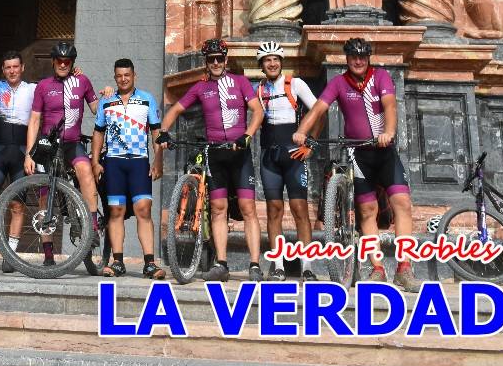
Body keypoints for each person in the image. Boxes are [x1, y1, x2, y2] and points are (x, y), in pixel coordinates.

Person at [292, 37, 420, 293]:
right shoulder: (339, 82)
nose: (358, 61)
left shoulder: (380, 76)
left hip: (383, 150)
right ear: (347, 59)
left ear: (368, 58)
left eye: (362, 56)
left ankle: (405, 268)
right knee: (367, 211)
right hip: (358, 154)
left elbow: (390, 106)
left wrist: (389, 132)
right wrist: (301, 132)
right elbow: (318, 108)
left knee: (402, 203)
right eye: (353, 57)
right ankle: (378, 268)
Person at [158, 38, 264, 282]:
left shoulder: (240, 82)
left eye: (219, 58)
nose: (216, 63)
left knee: (248, 208)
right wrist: (164, 131)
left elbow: (257, 110)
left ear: (226, 60)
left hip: (239, 152)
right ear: (206, 63)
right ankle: (222, 264)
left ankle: (255, 265)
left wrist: (247, 135)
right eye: (211, 59)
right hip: (215, 153)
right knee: (218, 209)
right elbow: (174, 110)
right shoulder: (200, 87)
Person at [25, 41, 101, 263]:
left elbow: (96, 108)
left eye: (67, 61)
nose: (63, 64)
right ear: (53, 61)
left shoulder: (82, 81)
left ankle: (93, 227)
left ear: (72, 63)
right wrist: (29, 154)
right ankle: (48, 254)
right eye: (59, 60)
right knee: (44, 196)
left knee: (85, 171)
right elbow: (34, 120)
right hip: (49, 145)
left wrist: (107, 95)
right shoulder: (43, 85)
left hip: (71, 143)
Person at [91, 58, 165, 280]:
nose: (123, 79)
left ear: (134, 76)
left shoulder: (147, 99)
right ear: (115, 77)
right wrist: (95, 161)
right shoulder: (107, 102)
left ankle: (150, 264)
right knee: (116, 212)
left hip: (139, 161)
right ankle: (117, 262)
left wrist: (158, 160)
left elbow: (156, 133)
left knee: (144, 209)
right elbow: (98, 133)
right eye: (119, 76)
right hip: (114, 162)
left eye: (127, 75)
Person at [255, 40, 318, 282]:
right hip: (269, 156)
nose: (272, 63)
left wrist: (310, 143)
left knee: (300, 209)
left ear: (281, 62)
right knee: (273, 210)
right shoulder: (258, 89)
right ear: (262, 65)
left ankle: (307, 267)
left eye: (276, 59)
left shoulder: (296, 84)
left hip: (293, 155)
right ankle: (278, 266)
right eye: (267, 60)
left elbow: (318, 111)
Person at [0, 50, 36, 273]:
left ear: (22, 68)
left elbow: (57, 85)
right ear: (3, 70)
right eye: (8, 67)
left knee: (17, 205)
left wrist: (76, 72)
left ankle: (10, 255)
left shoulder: (33, 89)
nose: (12, 70)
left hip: (22, 152)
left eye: (15, 66)